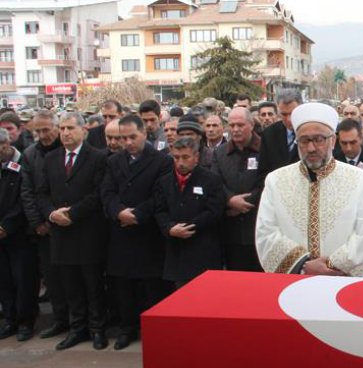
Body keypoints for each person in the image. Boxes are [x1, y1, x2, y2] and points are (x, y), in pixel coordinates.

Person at [255, 103, 363, 276]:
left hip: (344, 282)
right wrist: (304, 265)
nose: (311, 148)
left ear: (333, 140)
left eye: (319, 139)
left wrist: (330, 265)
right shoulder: (276, 180)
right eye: (304, 140)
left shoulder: (360, 180)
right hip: (294, 282)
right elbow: (266, 233)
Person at [36, 112, 109, 350]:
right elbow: (42, 192)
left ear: (83, 131)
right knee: (71, 285)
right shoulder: (51, 158)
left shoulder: (98, 157)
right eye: (63, 128)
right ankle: (77, 328)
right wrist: (51, 213)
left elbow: (98, 194)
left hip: (87, 232)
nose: (65, 133)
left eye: (70, 128)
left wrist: (73, 213)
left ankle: (97, 329)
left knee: (93, 285)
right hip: (61, 234)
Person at [100, 115, 172, 350]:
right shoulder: (113, 161)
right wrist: (118, 211)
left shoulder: (161, 161)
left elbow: (160, 195)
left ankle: (154, 329)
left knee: (151, 286)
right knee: (123, 286)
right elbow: (107, 192)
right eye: (123, 138)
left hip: (147, 232)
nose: (128, 142)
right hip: (121, 231)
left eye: (132, 136)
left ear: (144, 133)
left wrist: (138, 214)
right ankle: (126, 328)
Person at [20, 110, 68, 339]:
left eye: (46, 130)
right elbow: (28, 192)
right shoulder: (30, 155)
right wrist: (38, 222)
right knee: (52, 277)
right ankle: (60, 320)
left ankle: (82, 320)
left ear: (57, 128)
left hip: (70, 224)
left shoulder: (66, 149)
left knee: (74, 277)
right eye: (37, 131)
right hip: (44, 227)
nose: (42, 135)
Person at [154, 137, 225, 287]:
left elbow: (214, 211)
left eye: (185, 157)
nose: (180, 162)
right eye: (176, 157)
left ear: (196, 157)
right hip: (175, 252)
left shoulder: (211, 180)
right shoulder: (164, 182)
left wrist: (188, 227)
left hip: (202, 250)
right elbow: (160, 210)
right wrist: (169, 228)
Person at [213, 108, 263, 272]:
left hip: (259, 229)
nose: (235, 129)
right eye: (232, 125)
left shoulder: (265, 149)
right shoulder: (219, 153)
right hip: (231, 231)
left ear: (251, 124)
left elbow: (268, 182)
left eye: (240, 125)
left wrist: (246, 203)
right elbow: (215, 182)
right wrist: (230, 200)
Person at [0, 128, 38, 341]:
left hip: (19, 235)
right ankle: (9, 319)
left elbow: (24, 199)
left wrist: (6, 226)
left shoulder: (21, 164)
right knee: (4, 281)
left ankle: (25, 321)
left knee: (23, 280)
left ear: (6, 145)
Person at [257, 89, 302, 185]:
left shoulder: (314, 132)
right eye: (284, 114)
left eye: (292, 113)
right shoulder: (269, 134)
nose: (289, 119)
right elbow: (263, 171)